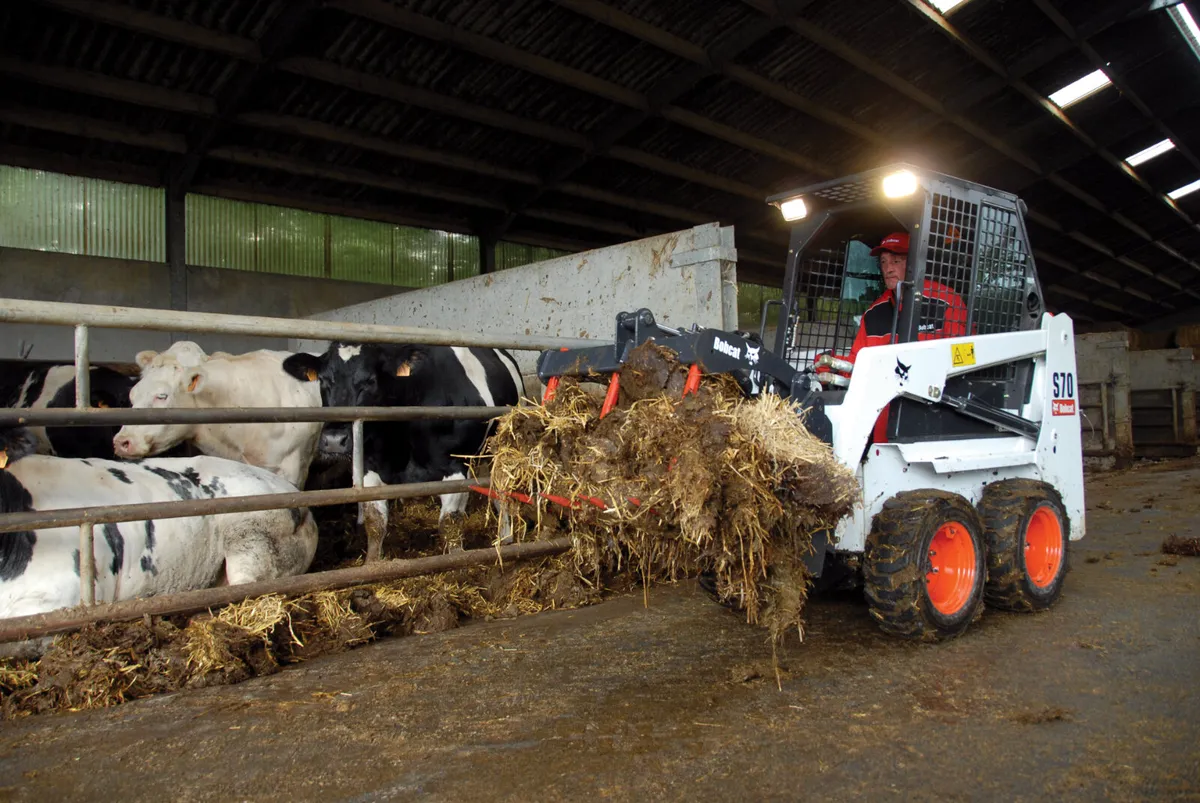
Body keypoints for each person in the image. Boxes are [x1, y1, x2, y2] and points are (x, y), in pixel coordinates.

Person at [846, 231, 969, 443]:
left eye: (896, 261)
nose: (888, 268)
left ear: (914, 263)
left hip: (935, 418)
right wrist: (832, 366)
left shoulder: (947, 302)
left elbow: (964, 361)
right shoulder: (873, 314)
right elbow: (857, 363)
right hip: (884, 425)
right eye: (883, 262)